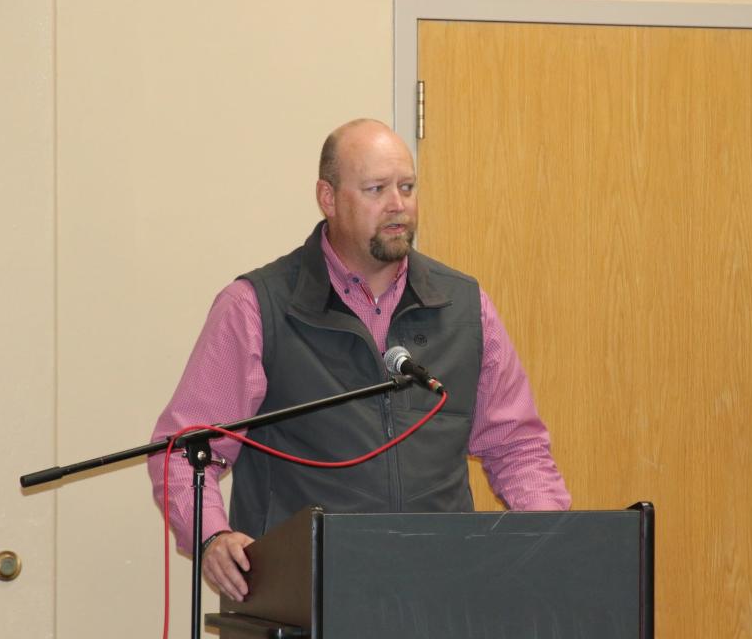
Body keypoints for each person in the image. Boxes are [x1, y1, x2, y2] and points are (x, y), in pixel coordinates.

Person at [148, 119, 570, 602]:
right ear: (328, 198)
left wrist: (553, 543)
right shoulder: (256, 307)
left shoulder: (463, 306)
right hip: (300, 599)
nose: (398, 205)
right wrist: (212, 539)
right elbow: (183, 450)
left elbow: (516, 447)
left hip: (440, 596)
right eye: (376, 189)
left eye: (407, 187)